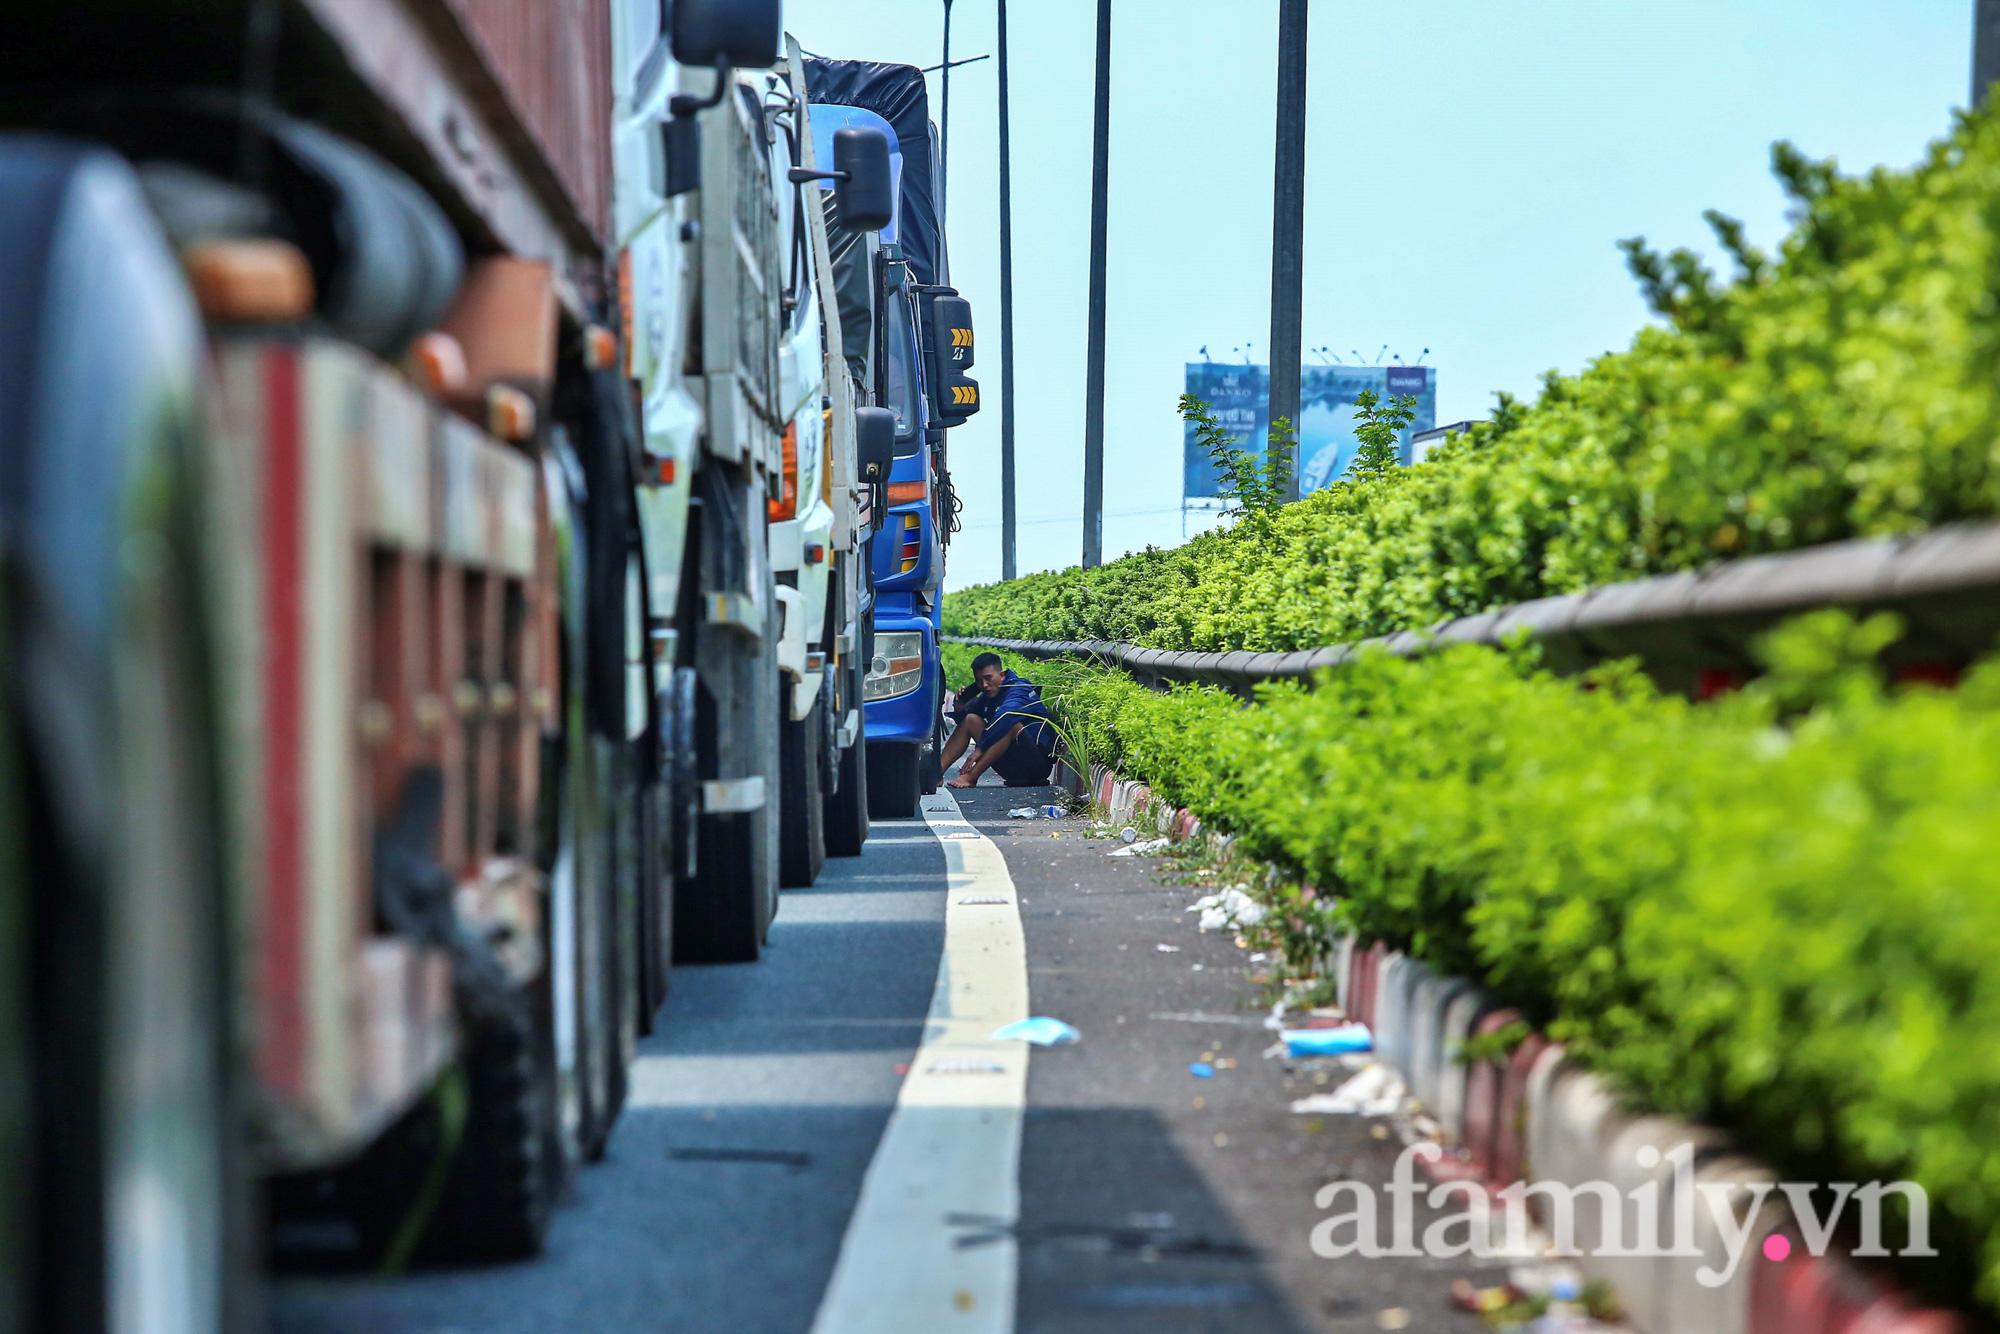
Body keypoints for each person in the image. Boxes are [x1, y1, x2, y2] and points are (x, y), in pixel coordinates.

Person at [941, 653, 1058, 789]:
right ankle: (935, 774)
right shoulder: (989, 694)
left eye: (988, 678)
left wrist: (980, 748)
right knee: (970, 720)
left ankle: (971, 777)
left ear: (1002, 675)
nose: (984, 685)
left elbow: (1007, 716)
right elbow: (964, 723)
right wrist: (960, 707)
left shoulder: (1019, 689)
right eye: (979, 681)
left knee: (1011, 724)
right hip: (1010, 769)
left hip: (1037, 766)